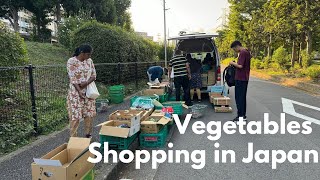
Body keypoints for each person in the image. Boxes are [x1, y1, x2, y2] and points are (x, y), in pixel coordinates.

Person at [67, 44, 97, 138]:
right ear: (82, 53)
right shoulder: (71, 61)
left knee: (89, 114)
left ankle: (88, 135)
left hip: (88, 92)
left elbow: (93, 75)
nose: (89, 56)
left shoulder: (89, 61)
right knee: (75, 116)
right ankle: (73, 137)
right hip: (75, 93)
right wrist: (79, 90)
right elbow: (72, 77)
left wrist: (85, 84)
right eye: (88, 54)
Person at [229, 41, 251, 122]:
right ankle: (242, 116)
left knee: (239, 98)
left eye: (234, 49)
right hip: (244, 78)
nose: (234, 50)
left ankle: (241, 117)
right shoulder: (246, 51)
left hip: (241, 79)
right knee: (242, 98)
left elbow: (240, 66)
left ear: (237, 46)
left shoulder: (242, 52)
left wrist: (232, 63)